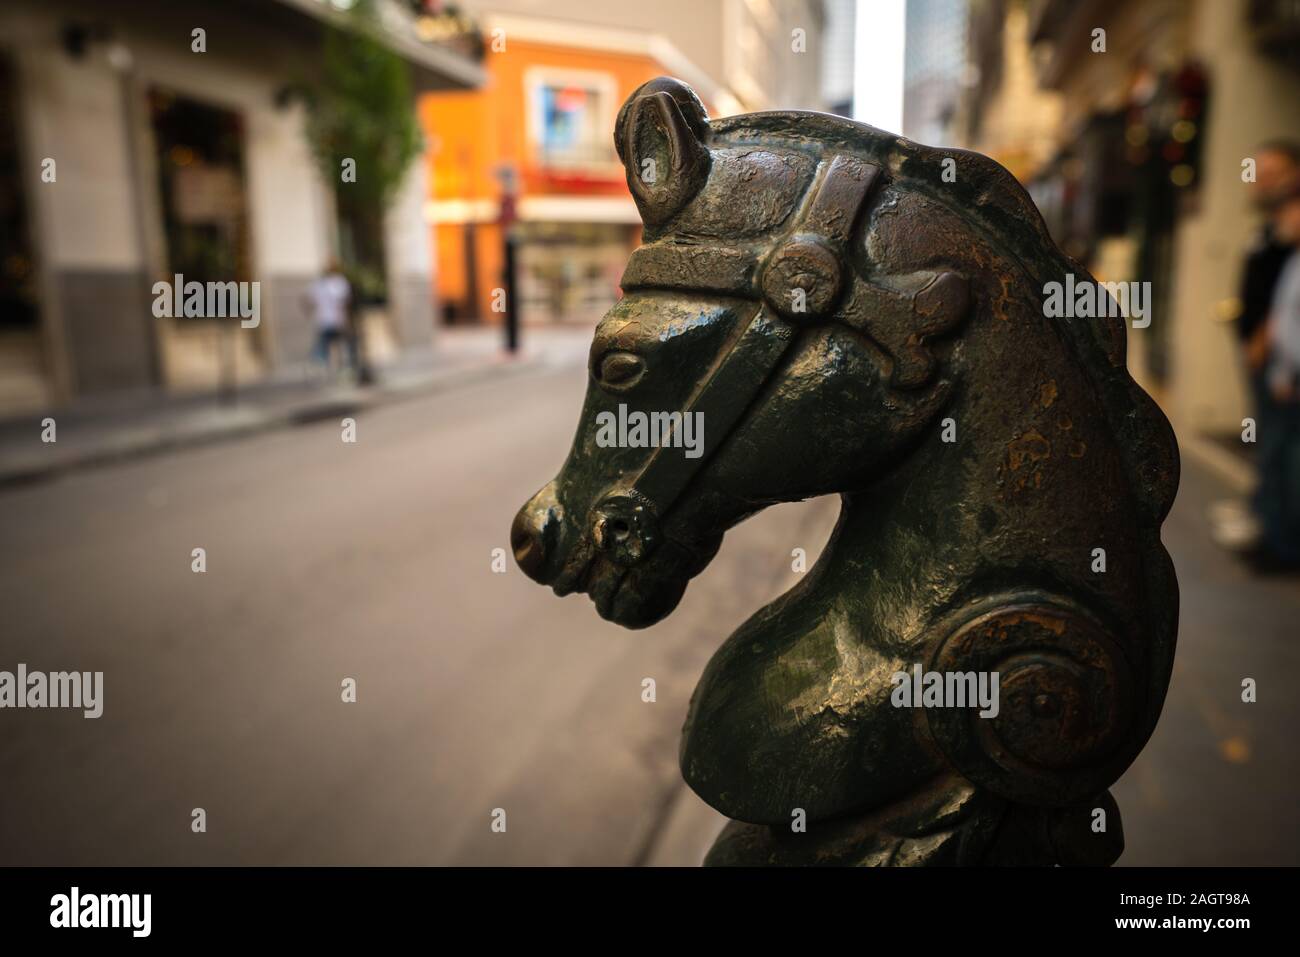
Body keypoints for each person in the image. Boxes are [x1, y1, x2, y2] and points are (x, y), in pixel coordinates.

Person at [1212, 141, 1300, 557]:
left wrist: (1269, 348)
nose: (1262, 182)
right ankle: (1269, 522)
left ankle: (1281, 539)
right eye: (1258, 173)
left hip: (1280, 362)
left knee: (1280, 445)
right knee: (1270, 442)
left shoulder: (1290, 232)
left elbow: (1287, 302)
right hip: (1268, 361)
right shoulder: (1267, 230)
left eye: (1273, 173)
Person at [1253, 187, 1300, 568]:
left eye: (1290, 212)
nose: (1282, 221)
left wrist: (1289, 373)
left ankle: (1285, 545)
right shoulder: (1292, 261)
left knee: (1285, 461)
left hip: (1293, 382)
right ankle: (1276, 537)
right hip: (1284, 377)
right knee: (1275, 458)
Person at [303, 260, 356, 377]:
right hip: (337, 321)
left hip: (323, 321)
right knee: (345, 346)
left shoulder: (319, 284)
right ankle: (346, 369)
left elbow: (306, 299)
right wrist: (347, 320)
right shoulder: (340, 283)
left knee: (323, 346)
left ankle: (320, 367)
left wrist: (309, 314)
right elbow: (345, 302)